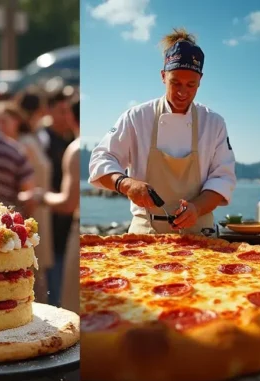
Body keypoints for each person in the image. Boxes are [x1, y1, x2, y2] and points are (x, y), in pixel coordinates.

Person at [89, 28, 237, 235]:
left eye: (191, 85)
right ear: (163, 76)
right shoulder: (137, 117)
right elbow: (101, 159)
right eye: (175, 82)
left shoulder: (214, 123)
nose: (182, 92)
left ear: (200, 81)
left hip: (200, 231)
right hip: (145, 232)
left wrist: (196, 208)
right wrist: (126, 183)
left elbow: (223, 178)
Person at [21, 99, 80, 312]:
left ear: (72, 117)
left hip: (77, 230)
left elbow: (68, 203)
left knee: (73, 305)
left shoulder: (76, 149)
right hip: (71, 229)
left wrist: (40, 196)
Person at [0, 101, 53, 304]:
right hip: (37, 208)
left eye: (4, 121)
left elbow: (27, 189)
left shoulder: (21, 145)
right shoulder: (27, 140)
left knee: (29, 266)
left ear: (16, 121)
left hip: (30, 211)